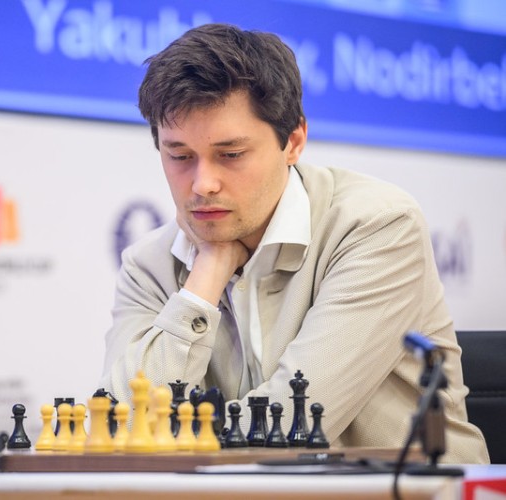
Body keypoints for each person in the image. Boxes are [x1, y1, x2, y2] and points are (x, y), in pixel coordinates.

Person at [99, 23, 489, 464]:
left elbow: (290, 428)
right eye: (180, 156)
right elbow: (116, 429)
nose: (203, 184)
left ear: (294, 142)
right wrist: (204, 279)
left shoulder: (377, 226)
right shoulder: (148, 265)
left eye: (231, 154)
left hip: (410, 491)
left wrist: (170, 440)